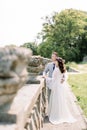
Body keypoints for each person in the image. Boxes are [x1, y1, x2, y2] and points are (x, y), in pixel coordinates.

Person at [44, 57, 76, 124]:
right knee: (60, 100)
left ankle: (57, 115)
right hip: (61, 86)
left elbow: (53, 79)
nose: (54, 62)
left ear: (58, 62)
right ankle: (60, 114)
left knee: (56, 100)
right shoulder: (62, 69)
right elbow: (64, 75)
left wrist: (46, 78)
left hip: (57, 87)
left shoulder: (56, 69)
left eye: (55, 61)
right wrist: (63, 79)